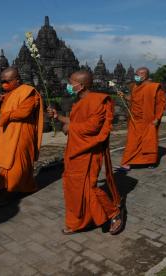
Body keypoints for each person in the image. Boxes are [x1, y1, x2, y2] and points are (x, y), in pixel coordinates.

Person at [47, 70, 124, 235]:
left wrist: (70, 127)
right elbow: (76, 122)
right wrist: (59, 117)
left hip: (89, 151)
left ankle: (114, 213)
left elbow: (93, 127)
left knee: (89, 187)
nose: (68, 85)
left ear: (80, 85)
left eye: (71, 82)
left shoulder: (98, 101)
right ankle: (79, 221)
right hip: (75, 151)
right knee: (73, 187)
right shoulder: (79, 102)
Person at [0, 67, 44, 204]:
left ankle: (11, 191)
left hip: (22, 132)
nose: (4, 84)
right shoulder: (9, 93)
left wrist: (3, 116)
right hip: (9, 132)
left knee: (17, 162)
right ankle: (14, 186)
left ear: (17, 80)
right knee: (7, 161)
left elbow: (24, 113)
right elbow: (8, 109)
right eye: (2, 81)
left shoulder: (28, 92)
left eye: (7, 81)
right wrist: (1, 102)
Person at [117, 67, 166, 171]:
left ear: (146, 75)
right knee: (132, 141)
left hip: (149, 119)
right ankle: (127, 162)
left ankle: (150, 161)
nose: (137, 76)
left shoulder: (154, 87)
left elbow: (160, 104)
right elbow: (133, 99)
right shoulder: (135, 86)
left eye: (140, 74)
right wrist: (124, 96)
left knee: (149, 141)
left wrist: (157, 118)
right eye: (136, 74)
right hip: (135, 119)